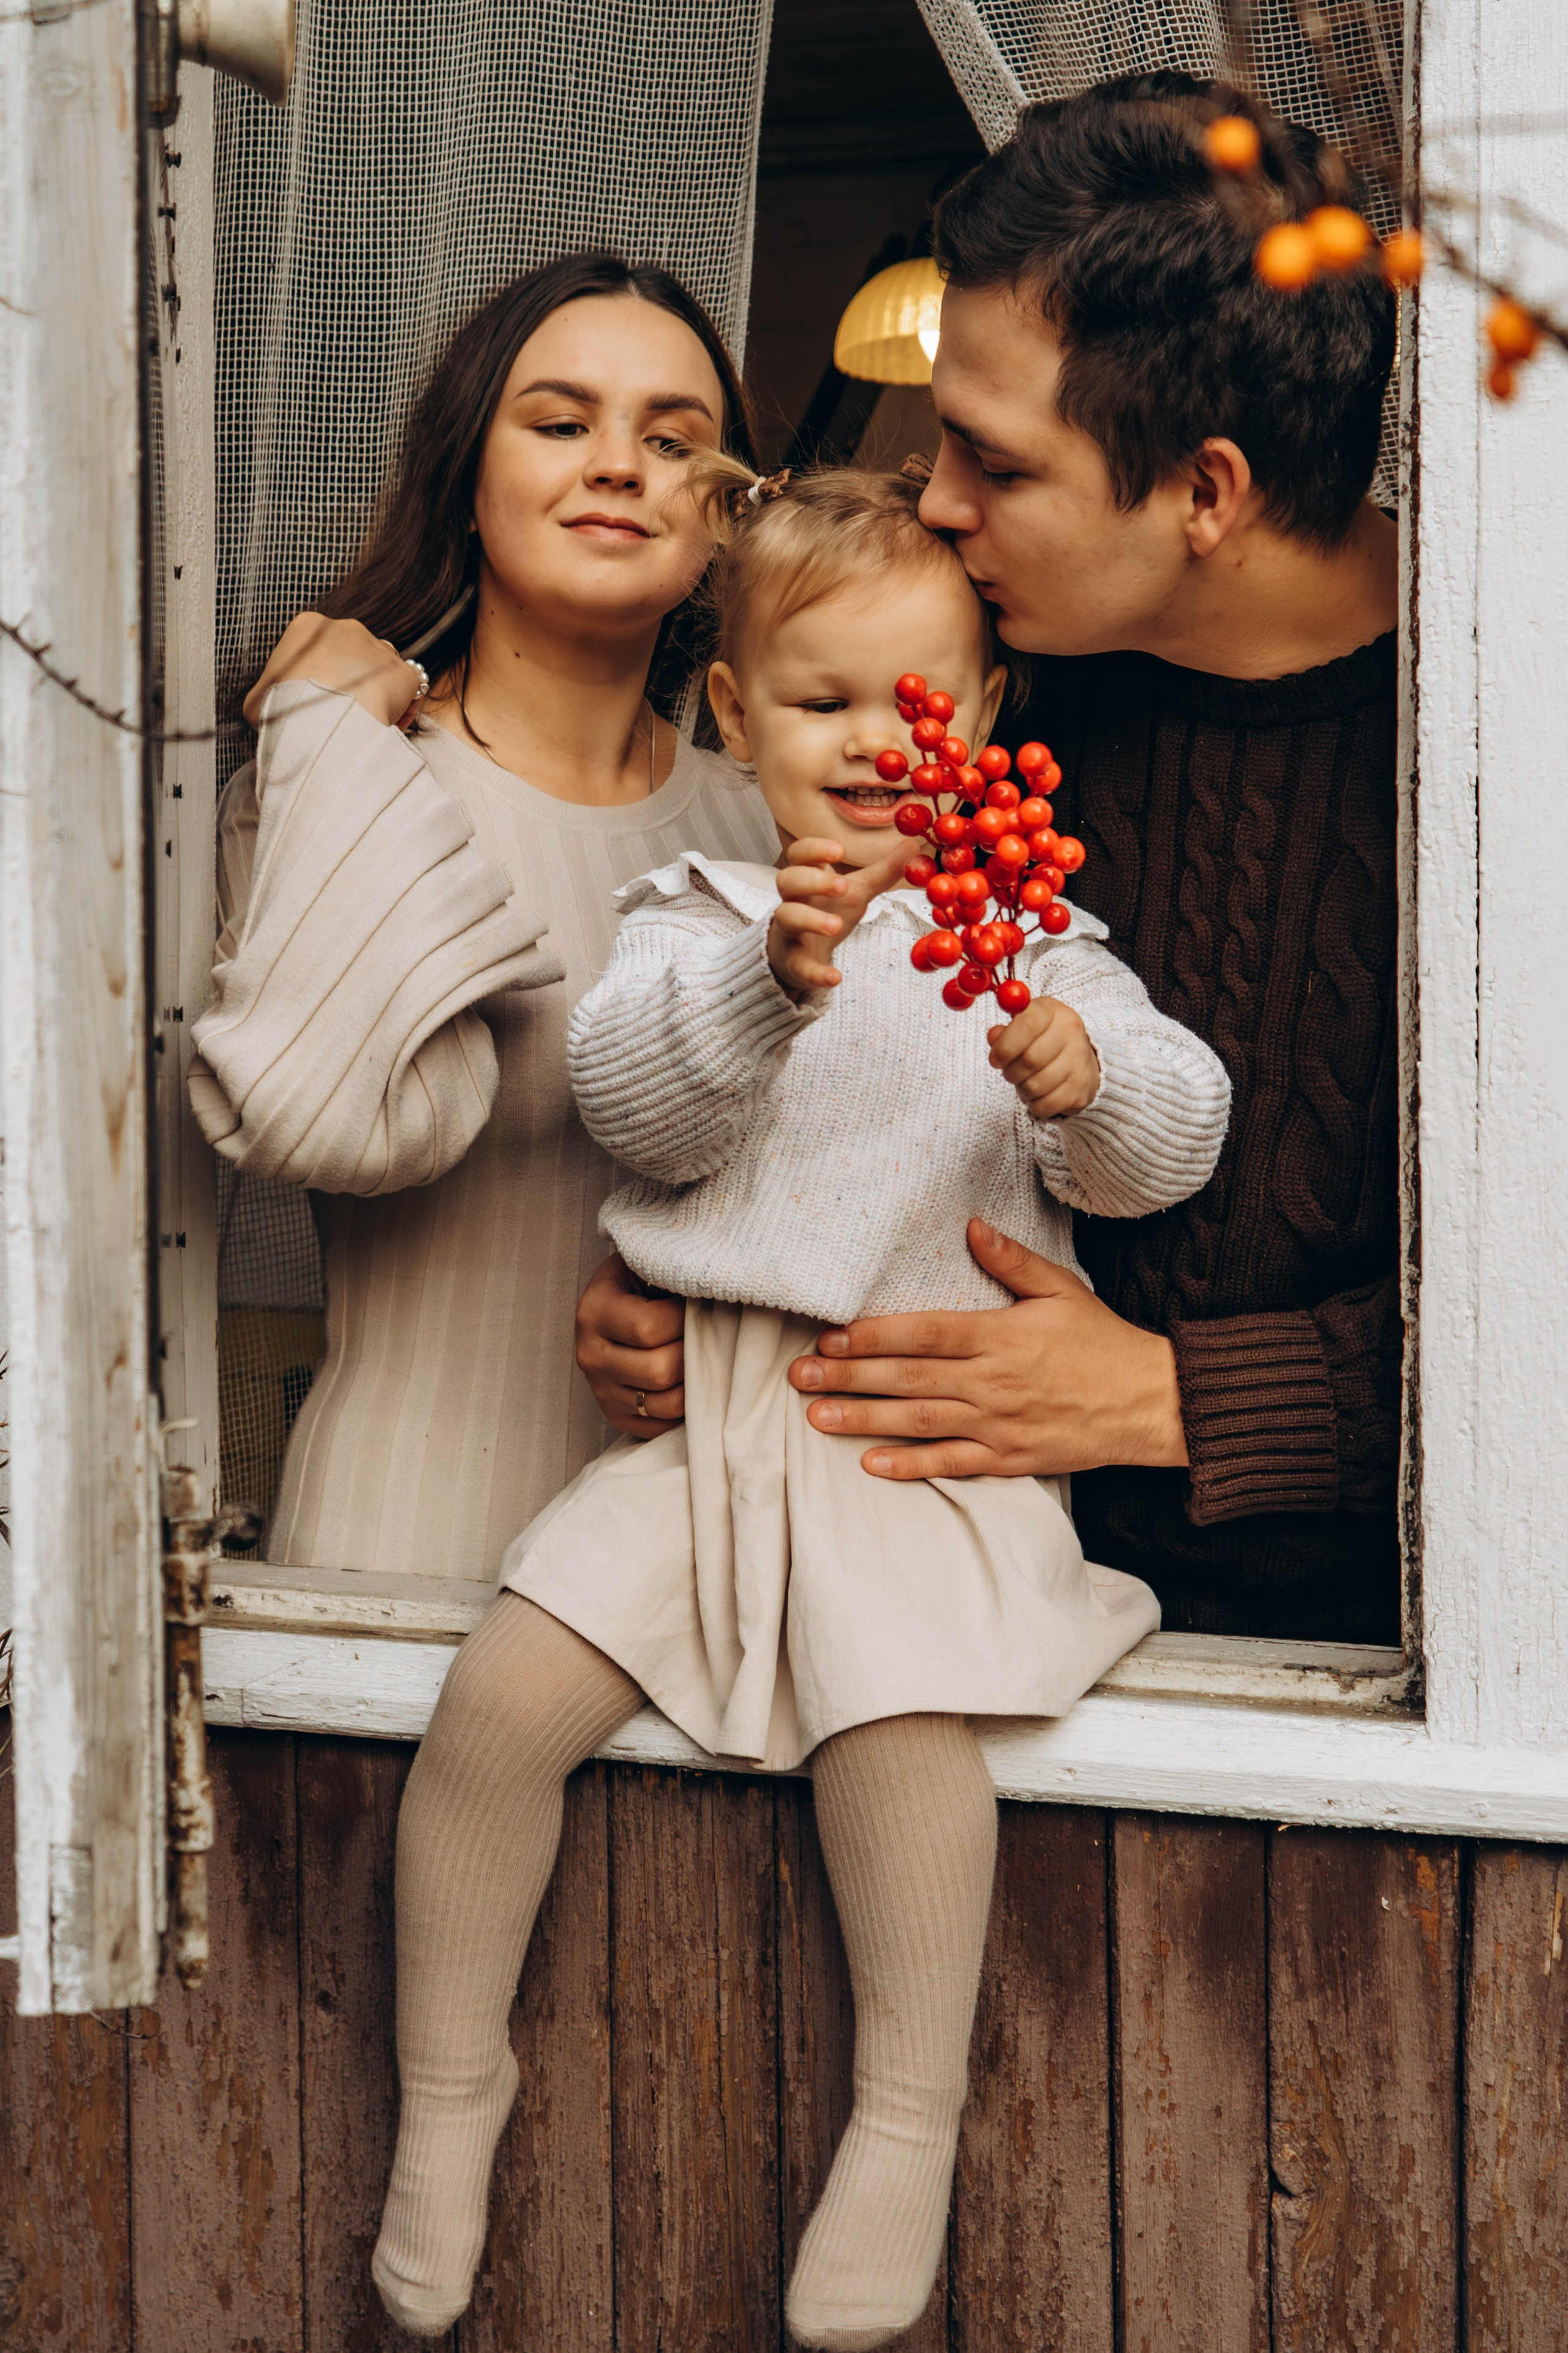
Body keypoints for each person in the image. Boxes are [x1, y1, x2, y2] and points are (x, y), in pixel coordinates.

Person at [374, 464, 1231, 2343]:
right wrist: (773, 986)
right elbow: (640, 1104)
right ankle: (452, 2093)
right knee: (499, 1706)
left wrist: (1087, 1079)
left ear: (985, 716)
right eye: (823, 702)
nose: (875, 745)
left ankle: (902, 2125)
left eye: (916, 705)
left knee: (902, 1740)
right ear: (738, 714)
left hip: (924, 1446)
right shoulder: (697, 919)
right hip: (709, 1436)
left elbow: (1168, 1154)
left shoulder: (1040, 944)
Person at [578, 73, 1404, 1646]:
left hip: (1339, 1699)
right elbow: (810, 1050)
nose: (934, 504)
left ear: (1204, 491)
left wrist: (1176, 1396)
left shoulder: (1492, 773)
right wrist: (694, 1289)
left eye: (994, 463)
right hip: (887, 1607)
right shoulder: (976, 696)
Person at [187, 252, 779, 1584]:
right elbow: (317, 1116)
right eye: (561, 423)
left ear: (722, 518)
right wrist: (325, 734)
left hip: (703, 1576)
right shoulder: (345, 785)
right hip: (403, 1548)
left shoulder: (768, 830)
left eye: (672, 439)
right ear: (467, 477)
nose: (619, 465)